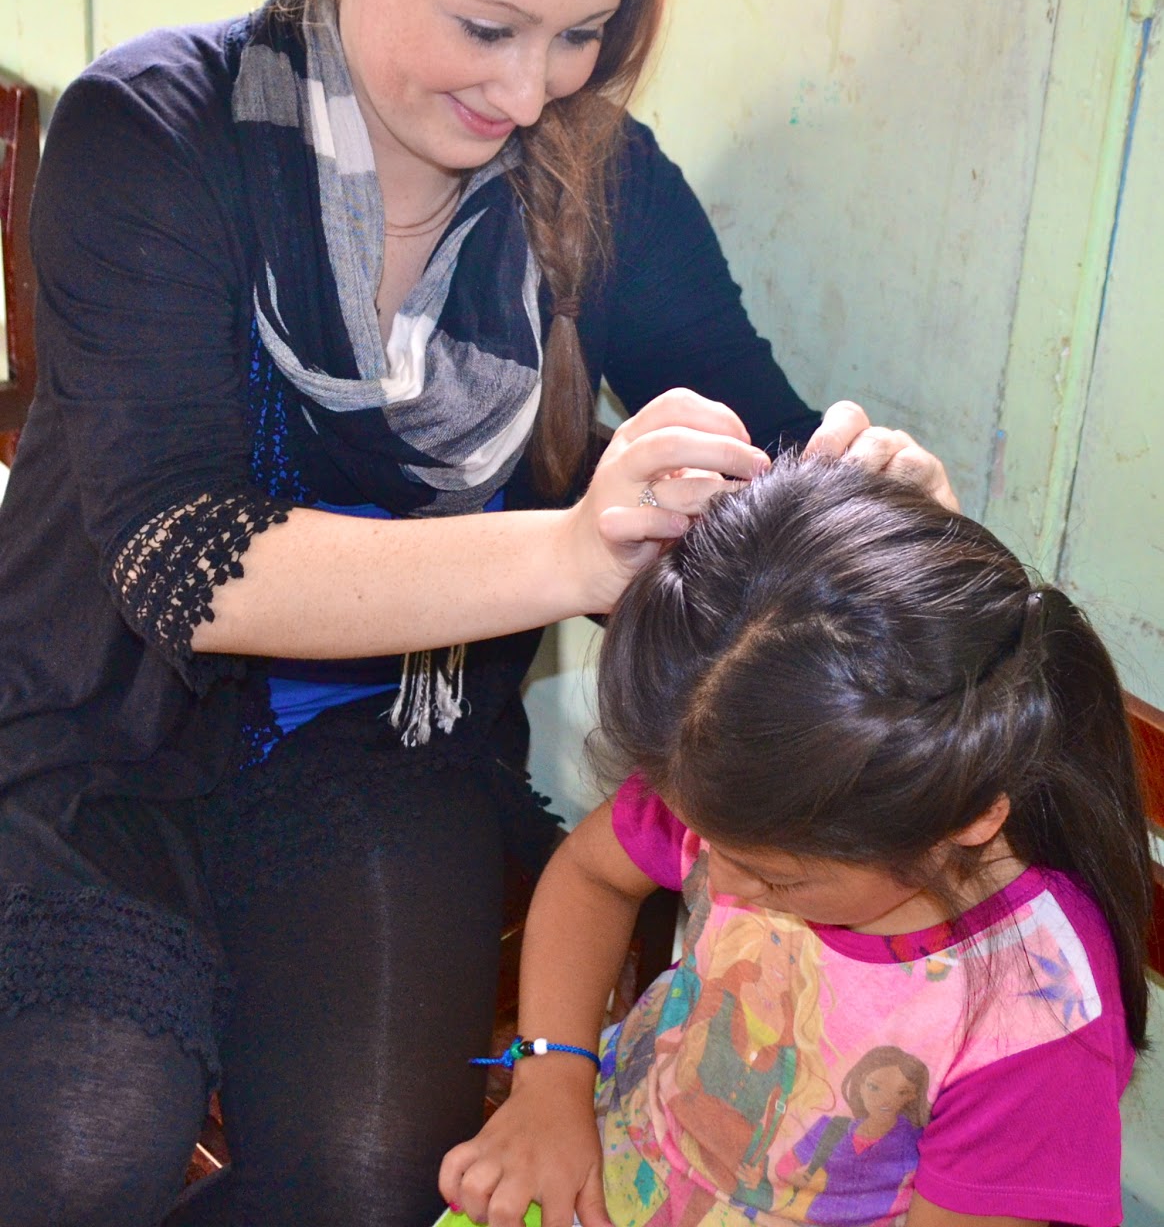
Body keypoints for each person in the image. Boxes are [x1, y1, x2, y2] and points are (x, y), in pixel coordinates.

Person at [0, 0, 954, 1227]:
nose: (528, 91)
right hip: (98, 734)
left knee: (373, 1182)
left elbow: (770, 437)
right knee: (77, 1152)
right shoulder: (152, 135)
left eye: (581, 34)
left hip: (388, 745)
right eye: (488, 25)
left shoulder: (602, 180)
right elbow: (183, 565)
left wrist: (871, 495)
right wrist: (570, 549)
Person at [441, 453, 1153, 1227]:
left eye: (776, 881)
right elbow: (593, 875)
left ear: (966, 821)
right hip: (614, 1149)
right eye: (705, 844)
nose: (719, 884)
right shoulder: (748, 781)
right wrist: (551, 1081)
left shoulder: (1035, 1021)